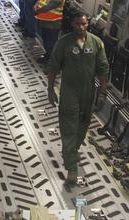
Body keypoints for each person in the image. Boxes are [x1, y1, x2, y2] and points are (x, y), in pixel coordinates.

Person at [45, 13, 110, 188]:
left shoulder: (96, 43)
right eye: (78, 24)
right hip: (69, 92)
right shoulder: (64, 43)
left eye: (84, 24)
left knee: (82, 127)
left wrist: (103, 93)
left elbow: (103, 68)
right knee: (69, 129)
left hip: (88, 92)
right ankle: (71, 168)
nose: (81, 27)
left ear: (87, 24)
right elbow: (53, 66)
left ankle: (73, 150)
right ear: (72, 24)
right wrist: (50, 89)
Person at [34, 0, 67, 64]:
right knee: (45, 40)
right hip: (45, 21)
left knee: (51, 43)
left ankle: (51, 60)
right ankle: (48, 56)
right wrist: (36, 4)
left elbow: (49, 6)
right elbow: (41, 0)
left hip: (53, 23)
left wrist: (37, 11)